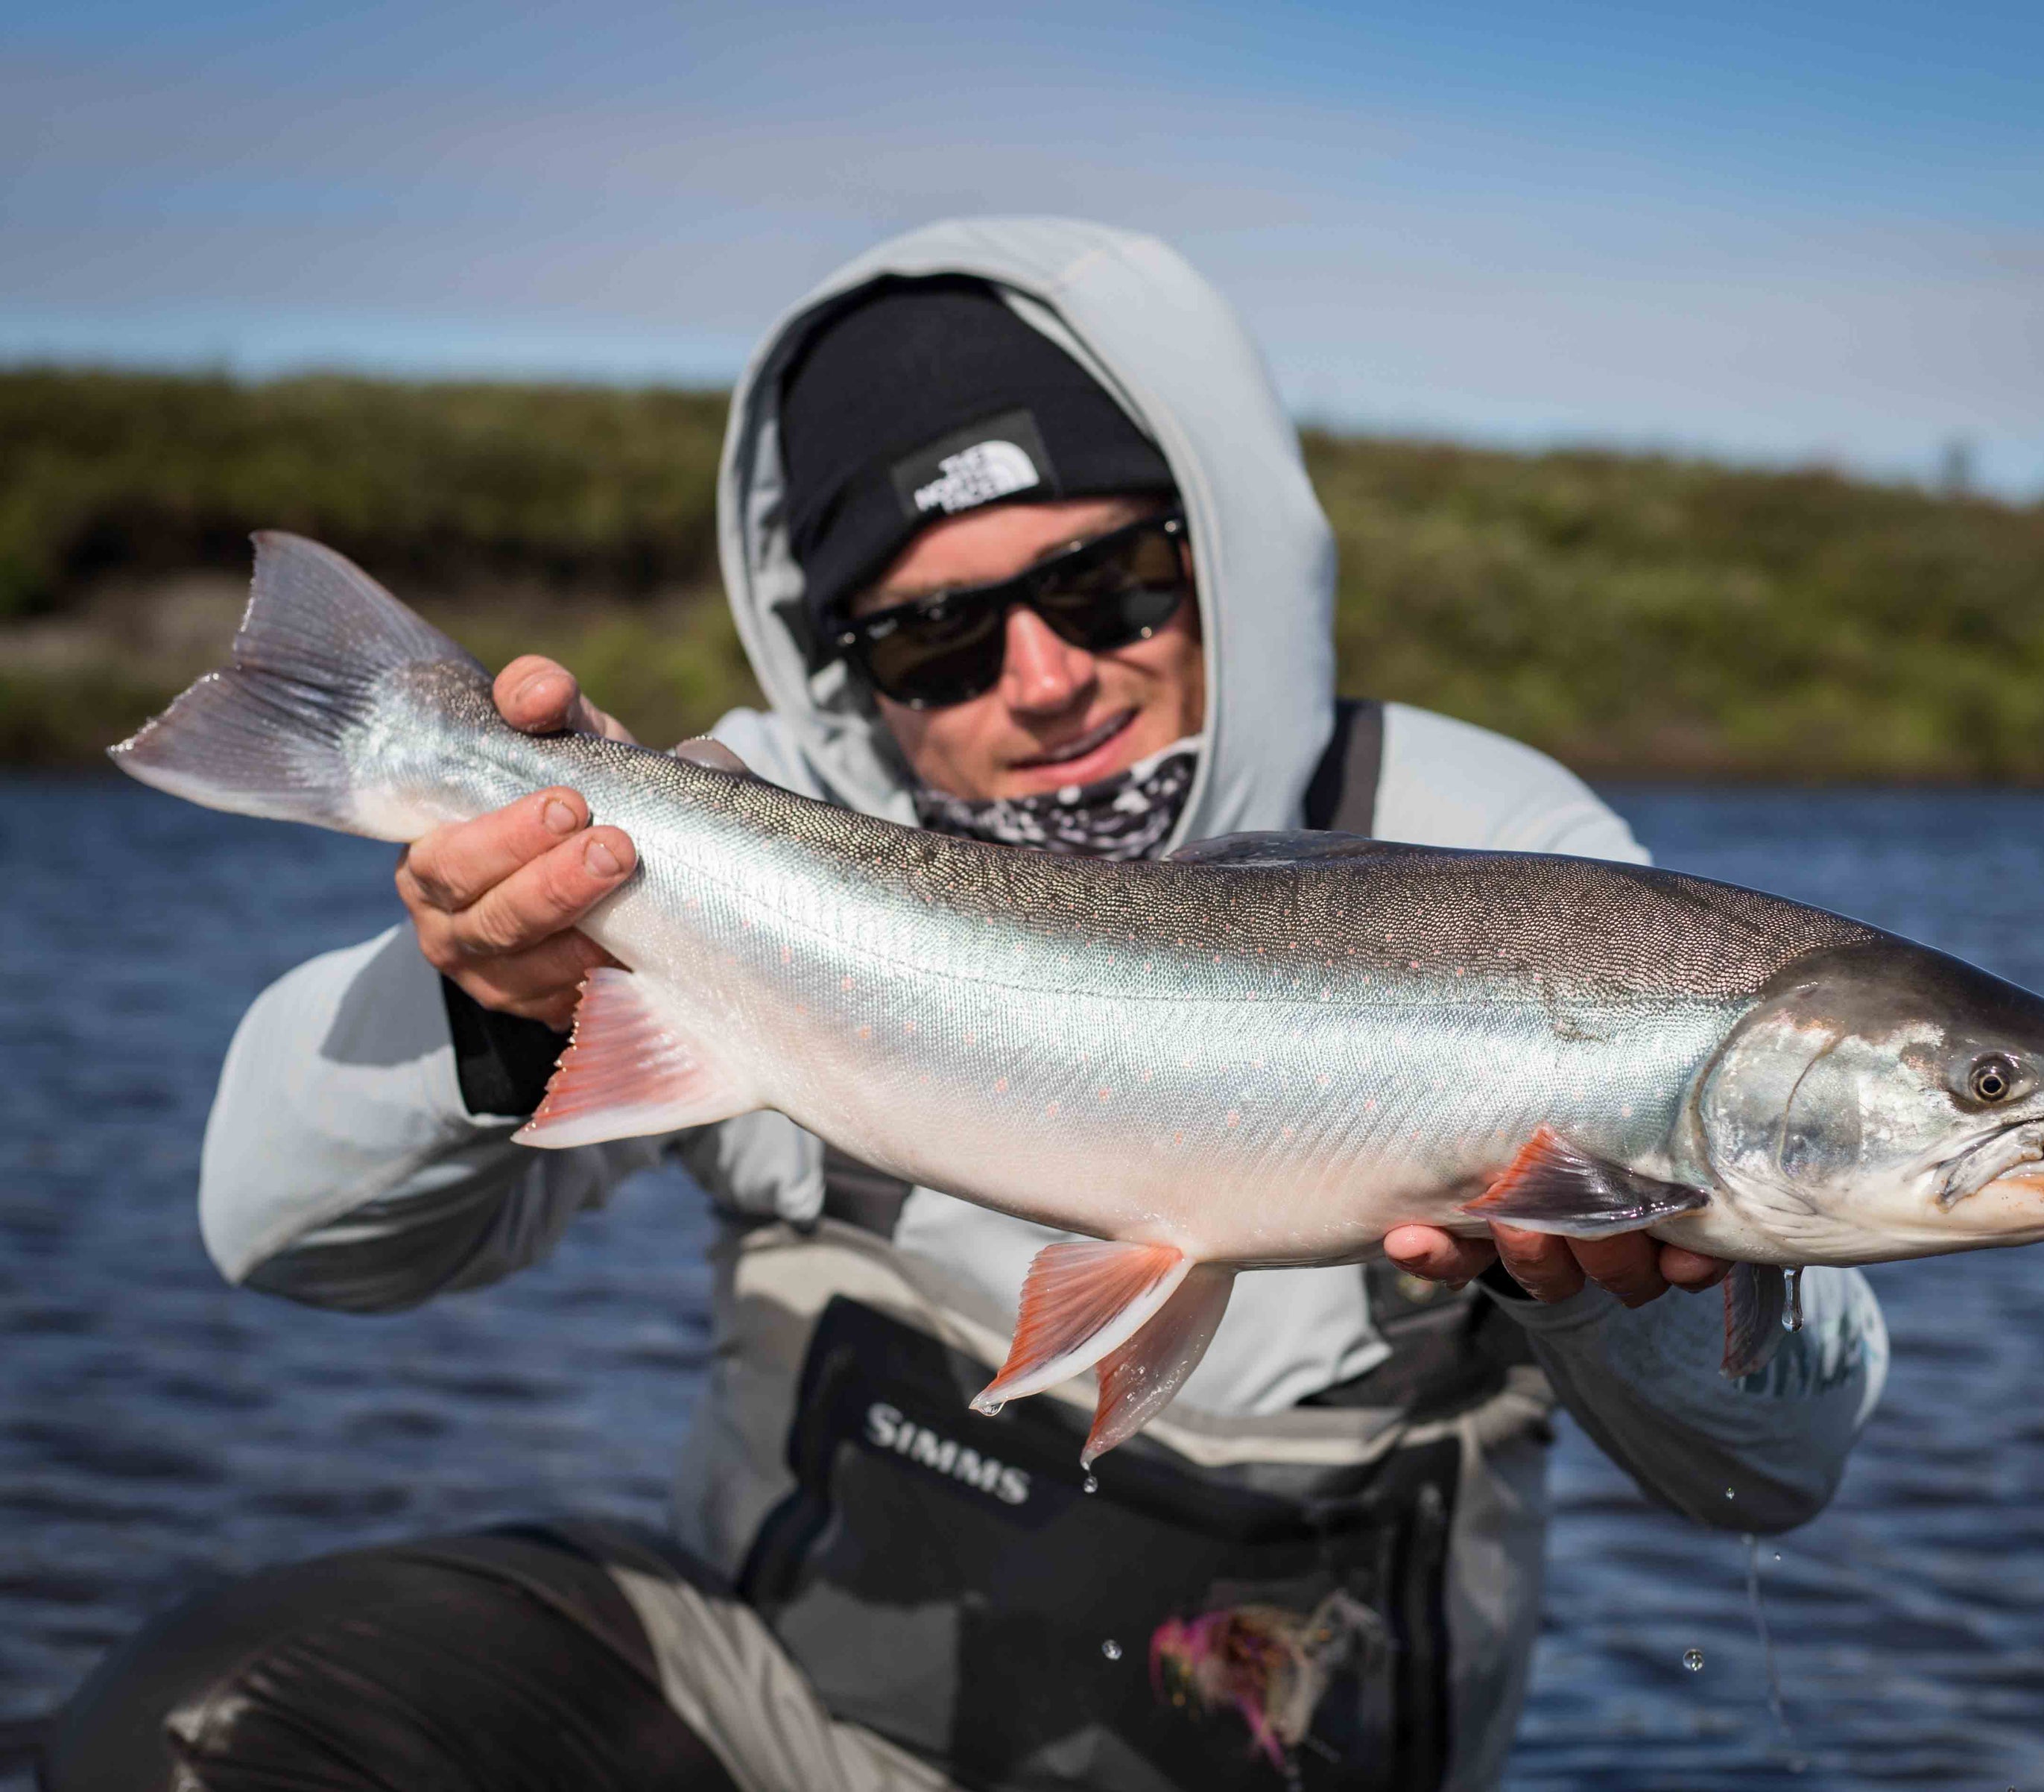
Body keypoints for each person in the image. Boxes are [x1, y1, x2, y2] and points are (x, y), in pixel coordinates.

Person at [48, 218, 1887, 1792]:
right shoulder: (732, 821)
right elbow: (283, 1237)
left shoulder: (1505, 853)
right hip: (784, 1737)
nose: (1046, 678)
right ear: (842, 661)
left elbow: (1775, 1470)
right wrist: (490, 1000)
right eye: (935, 635)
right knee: (214, 1717)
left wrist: (1636, 1292)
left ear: (1218, 557)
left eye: (1107, 586)